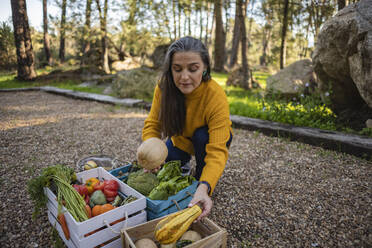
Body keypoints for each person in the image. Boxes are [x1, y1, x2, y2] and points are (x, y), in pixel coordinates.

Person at [141, 36, 232, 220]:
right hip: (181, 139)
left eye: (193, 69)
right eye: (177, 69)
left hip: (207, 139)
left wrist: (204, 186)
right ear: (170, 69)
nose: (184, 77)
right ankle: (184, 163)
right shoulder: (164, 87)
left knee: (201, 177)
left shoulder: (215, 95)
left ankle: (201, 176)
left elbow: (217, 151)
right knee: (165, 167)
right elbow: (153, 124)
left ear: (205, 67)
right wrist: (150, 153)